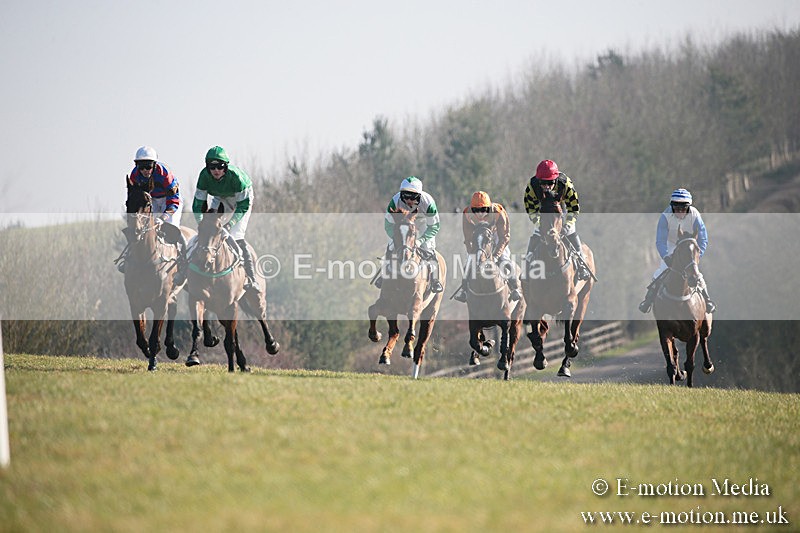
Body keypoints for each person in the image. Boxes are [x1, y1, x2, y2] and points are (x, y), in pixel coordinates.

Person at [192, 146, 260, 292]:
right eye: (212, 167)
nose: (216, 171)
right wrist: (202, 224)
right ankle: (186, 269)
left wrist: (230, 225)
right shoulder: (204, 176)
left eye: (220, 166)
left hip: (242, 200)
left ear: (226, 167)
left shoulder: (237, 178)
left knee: (235, 235)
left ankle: (251, 278)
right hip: (220, 197)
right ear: (207, 167)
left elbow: (242, 207)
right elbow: (198, 205)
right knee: (207, 233)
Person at [638, 188, 716, 313]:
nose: (679, 211)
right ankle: (648, 300)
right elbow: (660, 241)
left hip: (689, 245)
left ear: (688, 207)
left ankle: (707, 300)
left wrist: (696, 257)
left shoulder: (695, 215)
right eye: (676, 208)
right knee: (660, 272)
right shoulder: (665, 217)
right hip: (671, 245)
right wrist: (666, 257)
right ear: (672, 207)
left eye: (683, 208)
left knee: (697, 274)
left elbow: (703, 239)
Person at [118, 146, 187, 278]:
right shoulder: (134, 175)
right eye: (141, 166)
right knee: (141, 229)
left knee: (171, 228)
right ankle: (128, 256)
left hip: (170, 200)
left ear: (154, 165)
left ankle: (182, 263)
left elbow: (174, 200)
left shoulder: (165, 174)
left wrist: (165, 217)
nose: (145, 170)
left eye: (148, 166)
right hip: (151, 200)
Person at [523, 159, 591, 280]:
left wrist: (568, 225)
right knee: (536, 233)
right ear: (538, 181)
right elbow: (531, 209)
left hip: (561, 212)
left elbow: (574, 208)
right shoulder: (532, 187)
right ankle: (527, 265)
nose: (547, 187)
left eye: (550, 183)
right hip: (543, 213)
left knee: (571, 232)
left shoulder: (566, 184)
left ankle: (582, 265)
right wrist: (539, 224)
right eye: (543, 183)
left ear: (556, 179)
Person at [376, 176, 443, 293]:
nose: (408, 200)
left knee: (429, 248)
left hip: (423, 226)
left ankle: (435, 279)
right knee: (392, 246)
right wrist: (398, 239)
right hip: (402, 227)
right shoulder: (395, 202)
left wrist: (420, 240)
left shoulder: (428, 203)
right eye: (405, 195)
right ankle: (384, 274)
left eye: (413, 196)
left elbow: (434, 226)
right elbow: (388, 225)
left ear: (419, 195)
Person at [453, 191, 522, 303]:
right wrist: (473, 255)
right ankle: (464, 291)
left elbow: (504, 237)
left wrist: (496, 255)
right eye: (476, 210)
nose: (480, 213)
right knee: (469, 262)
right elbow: (468, 239)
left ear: (489, 208)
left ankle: (514, 288)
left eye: (483, 210)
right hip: (477, 236)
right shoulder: (467, 213)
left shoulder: (498, 212)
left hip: (496, 235)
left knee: (504, 259)